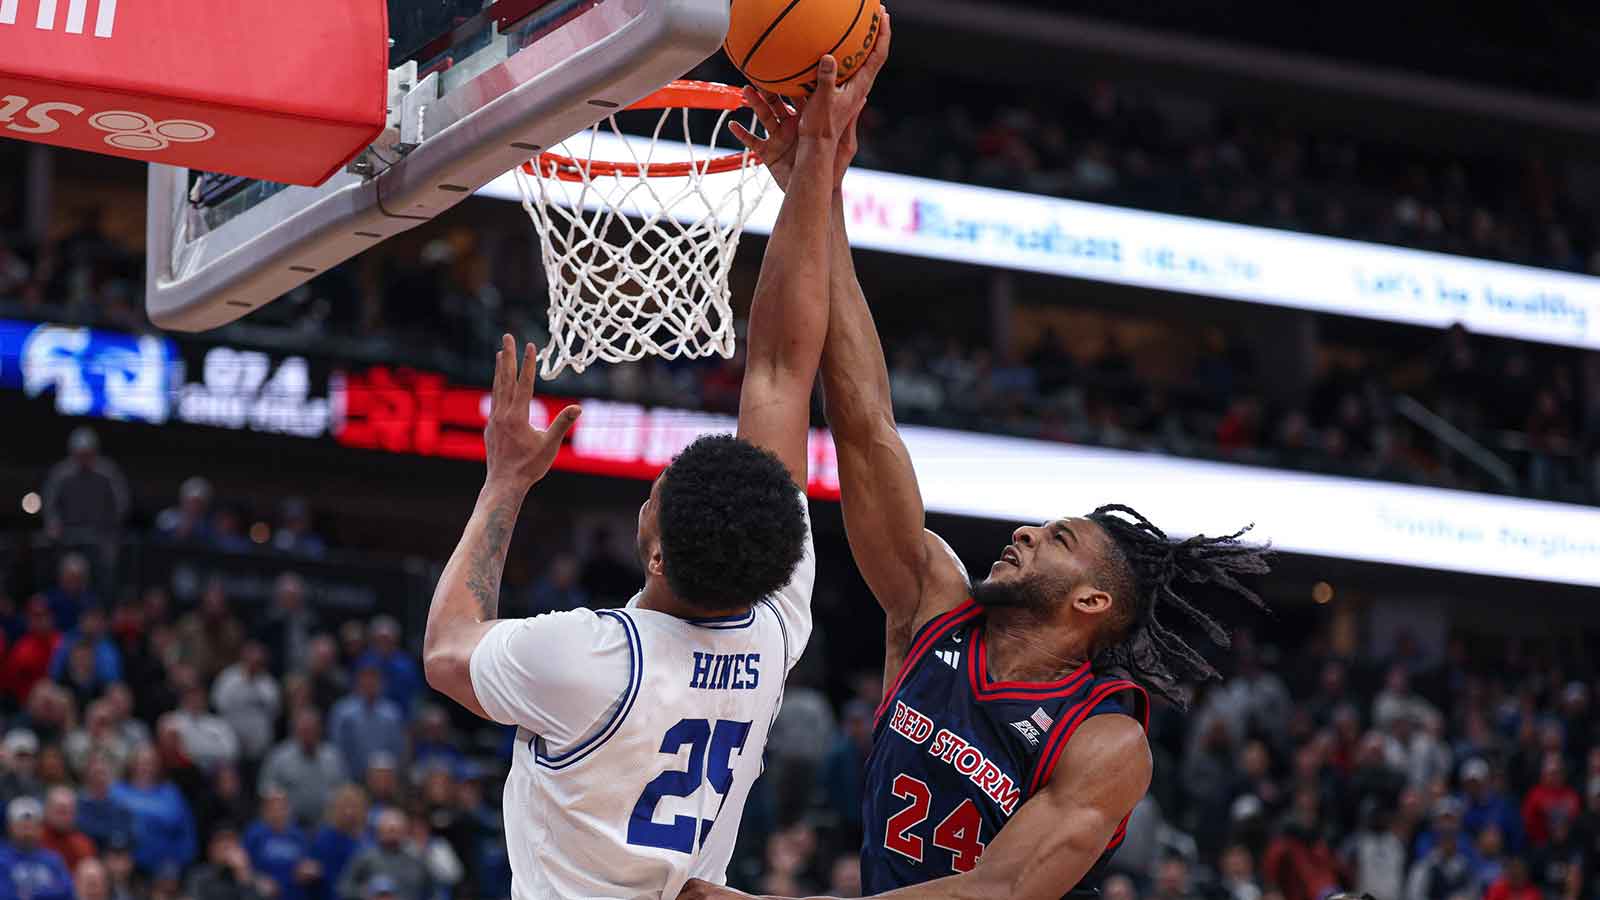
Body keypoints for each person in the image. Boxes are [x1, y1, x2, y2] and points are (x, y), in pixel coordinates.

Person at [682, 25, 1269, 899]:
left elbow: (994, 893)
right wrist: (817, 184)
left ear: (1093, 601)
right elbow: (866, 422)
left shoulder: (1106, 741)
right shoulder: (934, 602)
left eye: (1060, 538)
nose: (1027, 531)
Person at [418, 27, 888, 900]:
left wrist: (505, 483)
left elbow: (447, 651)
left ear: (657, 550)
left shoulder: (596, 658)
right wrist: (814, 168)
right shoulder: (770, 631)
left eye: (657, 493)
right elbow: (783, 370)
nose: (654, 489)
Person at [260, 706, 347, 827]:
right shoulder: (279, 758)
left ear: (320, 730)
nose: (308, 735)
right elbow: (267, 790)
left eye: (312, 730)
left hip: (328, 824)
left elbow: (344, 791)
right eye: (304, 731)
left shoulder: (333, 757)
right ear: (295, 731)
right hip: (289, 825)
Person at [0, 796, 74, 900]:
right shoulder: (2, 860)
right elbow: (5, 895)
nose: (27, 832)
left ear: (40, 828)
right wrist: (48, 893)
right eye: (22, 826)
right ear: (10, 827)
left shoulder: (53, 860)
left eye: (31, 826)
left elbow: (67, 892)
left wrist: (30, 895)